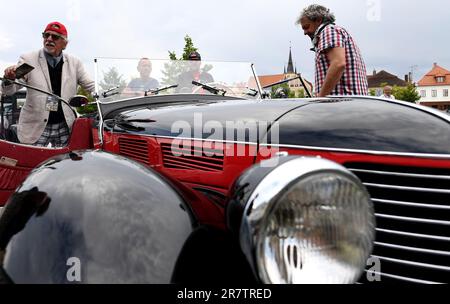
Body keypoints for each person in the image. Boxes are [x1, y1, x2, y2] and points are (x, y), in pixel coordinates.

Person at [2, 21, 95, 147]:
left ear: (65, 44)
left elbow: (91, 86)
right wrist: (9, 78)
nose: (49, 39)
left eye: (55, 37)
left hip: (65, 125)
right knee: (34, 163)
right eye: (46, 35)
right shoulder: (29, 60)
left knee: (69, 164)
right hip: (36, 126)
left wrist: (110, 96)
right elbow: (11, 89)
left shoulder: (75, 63)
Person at [296, 4, 368, 97]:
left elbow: (338, 64)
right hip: (350, 102)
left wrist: (320, 98)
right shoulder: (336, 31)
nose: (305, 33)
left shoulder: (328, 31)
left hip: (341, 103)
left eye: (306, 27)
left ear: (318, 20)